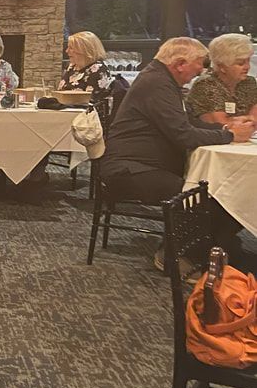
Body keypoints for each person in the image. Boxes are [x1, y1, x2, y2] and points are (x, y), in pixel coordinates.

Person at [100, 37, 253, 267]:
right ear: (180, 64)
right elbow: (184, 136)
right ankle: (176, 255)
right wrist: (230, 136)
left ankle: (213, 249)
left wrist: (224, 129)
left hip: (144, 164)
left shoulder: (160, 79)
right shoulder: (157, 84)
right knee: (210, 199)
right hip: (130, 169)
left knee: (221, 194)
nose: (202, 70)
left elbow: (187, 123)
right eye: (199, 64)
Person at [186, 33, 257, 126]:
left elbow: (254, 118)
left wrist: (247, 121)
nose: (247, 67)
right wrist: (248, 120)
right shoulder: (206, 84)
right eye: (240, 63)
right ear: (222, 66)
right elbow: (220, 124)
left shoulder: (249, 82)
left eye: (248, 61)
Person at [58, 30, 112, 102]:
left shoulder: (99, 70)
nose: (67, 51)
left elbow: (92, 101)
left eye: (71, 48)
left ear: (85, 50)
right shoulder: (72, 67)